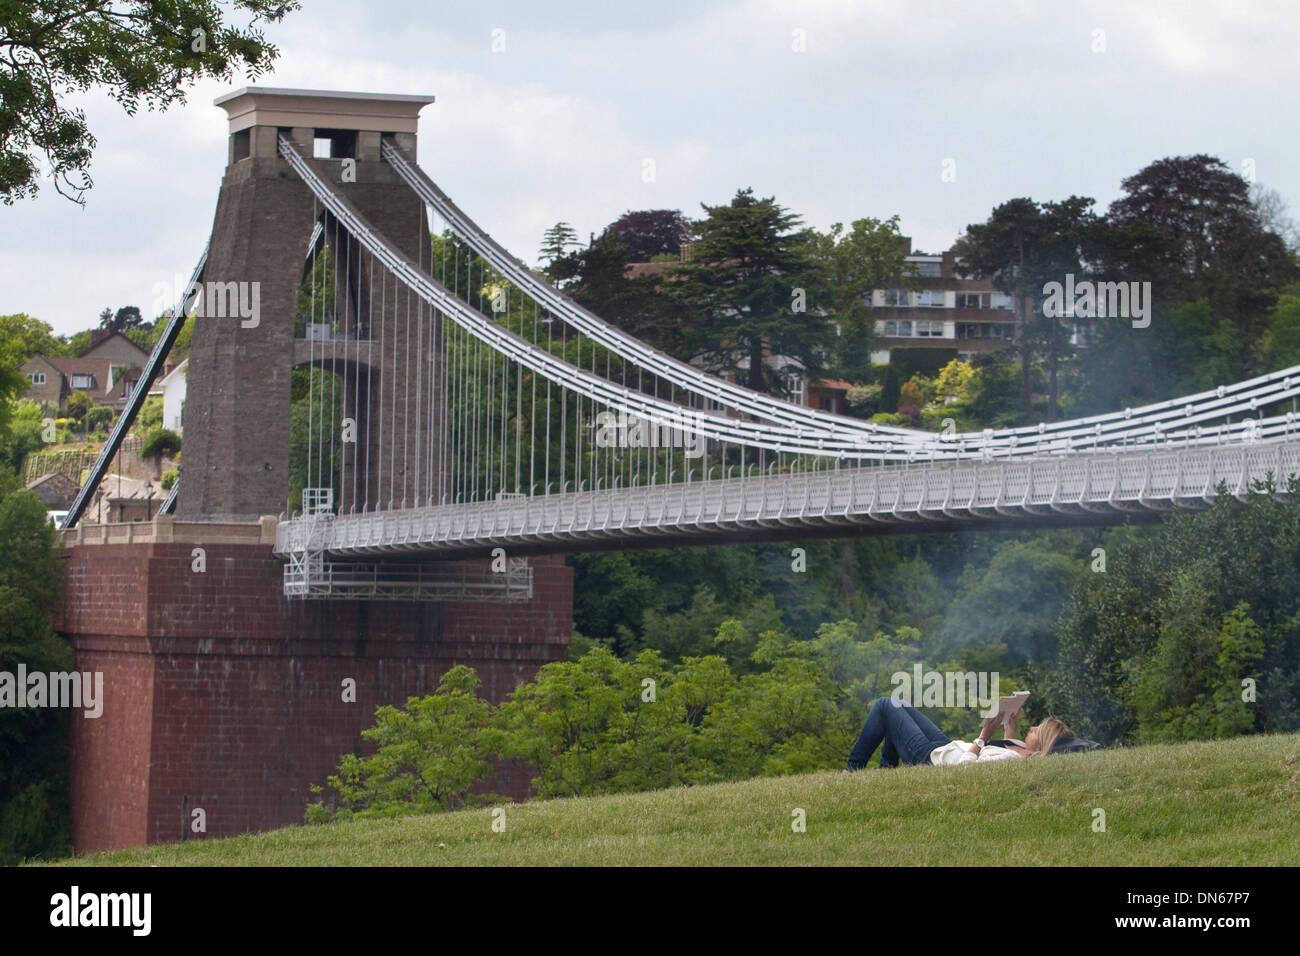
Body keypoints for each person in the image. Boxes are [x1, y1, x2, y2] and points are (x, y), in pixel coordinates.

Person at [842, 695, 1081, 771]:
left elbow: (967, 771)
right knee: (899, 704)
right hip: (947, 745)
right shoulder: (1020, 747)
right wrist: (1009, 723)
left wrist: (984, 735)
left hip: (931, 757)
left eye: (1038, 730)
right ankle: (886, 770)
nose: (1033, 728)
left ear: (1042, 744)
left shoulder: (1011, 761)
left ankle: (851, 771)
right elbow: (1009, 742)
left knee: (886, 705)